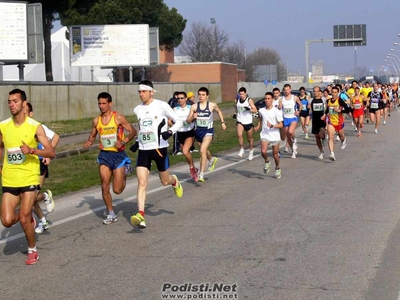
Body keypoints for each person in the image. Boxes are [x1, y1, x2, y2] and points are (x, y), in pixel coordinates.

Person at [0, 88, 55, 265]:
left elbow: (51, 151)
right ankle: (28, 219)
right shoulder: (3, 125)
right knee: (7, 221)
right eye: (9, 101)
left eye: (15, 101)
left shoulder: (34, 126)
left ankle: (32, 250)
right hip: (10, 178)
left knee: (23, 217)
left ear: (24, 104)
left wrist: (32, 150)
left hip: (30, 177)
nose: (11, 104)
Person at [131, 80, 184, 229]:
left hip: (159, 149)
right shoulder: (138, 109)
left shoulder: (161, 105)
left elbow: (178, 121)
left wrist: (170, 132)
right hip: (143, 150)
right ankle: (141, 215)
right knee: (142, 183)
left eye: (143, 91)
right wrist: (137, 141)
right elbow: (143, 128)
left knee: (164, 181)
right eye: (139, 92)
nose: (141, 94)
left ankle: (174, 181)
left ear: (151, 92)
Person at [83, 92, 137, 225]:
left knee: (117, 190)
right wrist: (89, 142)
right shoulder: (96, 121)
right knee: (104, 185)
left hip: (118, 156)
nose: (101, 106)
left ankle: (125, 170)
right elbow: (92, 135)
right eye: (99, 103)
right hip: (104, 155)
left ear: (110, 104)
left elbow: (133, 131)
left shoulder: (118, 117)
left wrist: (123, 141)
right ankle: (111, 213)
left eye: (104, 103)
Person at [25, 103, 59, 234]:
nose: (23, 115)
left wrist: (48, 154)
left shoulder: (38, 127)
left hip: (39, 163)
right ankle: (43, 221)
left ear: (31, 114)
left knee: (31, 196)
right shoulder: (18, 128)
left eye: (26, 112)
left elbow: (56, 137)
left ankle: (45, 195)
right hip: (26, 166)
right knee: (28, 197)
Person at [187, 87, 227, 182]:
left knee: (202, 150)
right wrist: (193, 116)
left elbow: (219, 111)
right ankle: (212, 159)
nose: (201, 96)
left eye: (203, 94)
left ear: (207, 96)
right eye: (199, 94)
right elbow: (188, 121)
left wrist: (222, 122)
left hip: (208, 131)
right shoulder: (194, 107)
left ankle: (201, 174)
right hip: (198, 132)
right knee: (204, 150)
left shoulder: (212, 105)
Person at [170, 91, 198, 181]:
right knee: (186, 153)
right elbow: (169, 121)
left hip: (189, 132)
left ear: (186, 99)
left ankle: (191, 168)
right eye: (178, 98)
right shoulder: (175, 109)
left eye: (182, 98)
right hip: (180, 133)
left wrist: (194, 118)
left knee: (185, 151)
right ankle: (193, 167)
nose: (180, 100)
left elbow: (197, 116)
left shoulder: (191, 108)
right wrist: (174, 127)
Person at [254, 92, 283, 179]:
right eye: (265, 99)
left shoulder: (276, 111)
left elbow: (281, 125)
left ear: (272, 99)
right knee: (263, 151)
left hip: (274, 135)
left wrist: (273, 126)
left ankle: (277, 168)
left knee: (275, 155)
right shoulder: (261, 110)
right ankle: (267, 161)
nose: (267, 100)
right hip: (265, 134)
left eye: (268, 98)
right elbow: (260, 118)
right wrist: (258, 126)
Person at [322, 86, 350, 161]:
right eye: (332, 92)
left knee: (341, 136)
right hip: (331, 122)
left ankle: (343, 140)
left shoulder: (340, 100)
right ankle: (332, 153)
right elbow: (327, 109)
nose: (334, 94)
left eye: (335, 92)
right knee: (331, 137)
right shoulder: (328, 101)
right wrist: (324, 115)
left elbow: (347, 109)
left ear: (337, 93)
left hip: (339, 122)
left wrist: (339, 111)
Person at [279, 84, 302, 158]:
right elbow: (280, 107)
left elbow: (300, 105)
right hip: (285, 118)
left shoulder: (294, 98)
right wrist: (279, 107)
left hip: (293, 118)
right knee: (288, 137)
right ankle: (293, 151)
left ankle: (295, 139)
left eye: (287, 89)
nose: (286, 91)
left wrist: (298, 111)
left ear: (290, 90)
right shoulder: (281, 99)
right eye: (285, 90)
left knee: (290, 131)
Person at [235, 87, 257, 160]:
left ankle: (251, 151)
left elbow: (255, 110)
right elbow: (237, 108)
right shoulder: (237, 100)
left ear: (246, 93)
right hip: (240, 121)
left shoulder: (249, 100)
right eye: (240, 94)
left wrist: (249, 109)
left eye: (243, 94)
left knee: (250, 139)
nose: (241, 95)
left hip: (248, 122)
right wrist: (235, 114)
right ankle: (242, 148)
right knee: (239, 135)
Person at [309, 86, 326, 159]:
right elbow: (310, 109)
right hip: (315, 120)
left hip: (322, 119)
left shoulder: (324, 100)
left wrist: (325, 115)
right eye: (314, 91)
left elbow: (327, 108)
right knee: (317, 137)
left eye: (317, 91)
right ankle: (321, 151)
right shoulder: (311, 100)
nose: (315, 93)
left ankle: (324, 138)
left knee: (321, 134)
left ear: (320, 92)